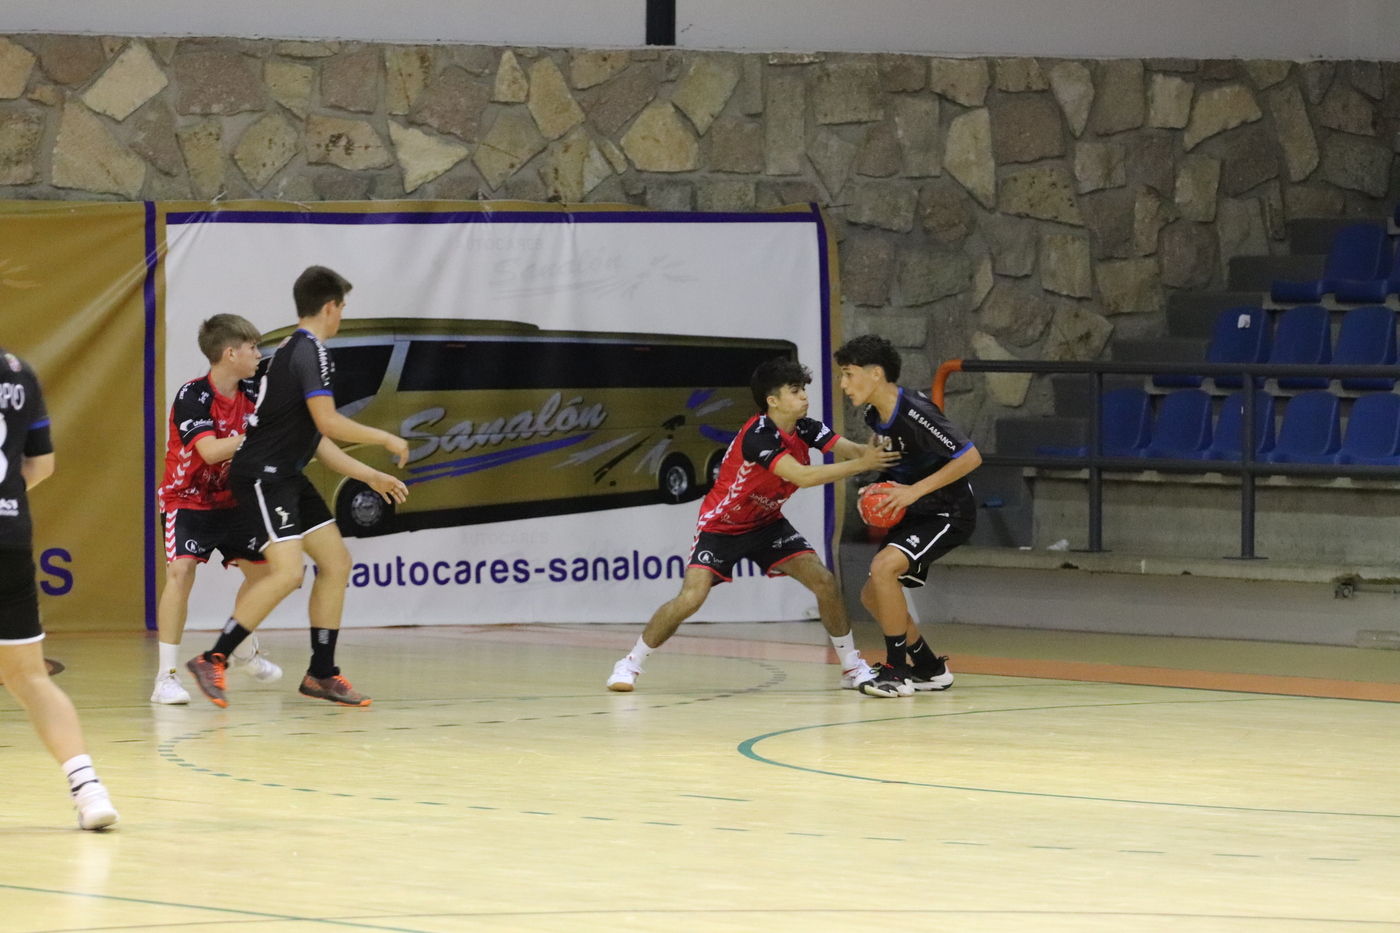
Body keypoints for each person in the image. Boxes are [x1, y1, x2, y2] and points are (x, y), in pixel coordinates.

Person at [185, 266, 408, 708]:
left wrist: (369, 475)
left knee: (336, 563)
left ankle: (321, 673)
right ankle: (213, 657)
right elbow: (329, 422)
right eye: (342, 307)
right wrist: (385, 438)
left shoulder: (294, 349)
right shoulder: (310, 352)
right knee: (287, 573)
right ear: (330, 307)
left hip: (285, 474)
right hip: (263, 476)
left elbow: (315, 438)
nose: (341, 315)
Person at [606, 357, 899, 692]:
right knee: (691, 598)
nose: (804, 396)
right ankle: (629, 663)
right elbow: (802, 477)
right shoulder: (758, 436)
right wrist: (863, 464)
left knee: (824, 581)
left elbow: (852, 451)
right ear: (773, 401)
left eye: (803, 389)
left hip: (767, 523)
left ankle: (851, 667)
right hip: (722, 526)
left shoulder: (806, 427)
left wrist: (878, 451)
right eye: (795, 391)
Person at [0, 347, 119, 829]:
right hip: (8, 539)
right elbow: (42, 464)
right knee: (30, 678)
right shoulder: (18, 372)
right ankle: (89, 791)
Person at [833, 334, 981, 698]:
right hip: (916, 511)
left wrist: (912, 492)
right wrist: (875, 490)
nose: (843, 384)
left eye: (849, 374)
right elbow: (897, 464)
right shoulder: (874, 415)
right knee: (873, 596)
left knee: (884, 568)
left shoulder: (915, 411)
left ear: (876, 374)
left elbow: (970, 457)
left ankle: (896, 672)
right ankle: (930, 668)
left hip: (948, 511)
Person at [152, 314, 283, 705]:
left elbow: (284, 373)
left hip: (235, 498)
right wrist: (259, 433)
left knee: (267, 574)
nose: (258, 354)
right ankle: (165, 678)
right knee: (181, 572)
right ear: (230, 353)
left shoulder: (255, 388)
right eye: (252, 347)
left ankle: (241, 647)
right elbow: (210, 451)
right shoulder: (192, 395)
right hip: (187, 498)